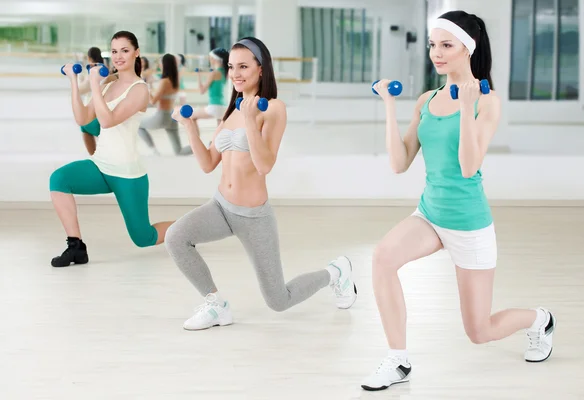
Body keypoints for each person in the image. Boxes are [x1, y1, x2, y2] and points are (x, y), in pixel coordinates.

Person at [360, 11, 555, 391]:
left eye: (446, 45)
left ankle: (540, 320)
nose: (437, 53)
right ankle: (398, 361)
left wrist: (467, 107)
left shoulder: (488, 101)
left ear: (469, 48)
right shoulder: (427, 100)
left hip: (468, 223)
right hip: (431, 214)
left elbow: (468, 167)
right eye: (433, 45)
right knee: (383, 257)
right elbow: (400, 164)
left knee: (479, 331)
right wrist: (387, 106)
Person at [166, 37, 357, 331]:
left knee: (278, 300)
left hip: (253, 216)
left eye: (243, 66)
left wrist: (251, 121)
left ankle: (335, 273)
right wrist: (190, 128)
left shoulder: (274, 109)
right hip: (220, 206)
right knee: (176, 236)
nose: (235, 73)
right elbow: (207, 164)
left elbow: (264, 164)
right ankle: (217, 306)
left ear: (261, 70)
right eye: (231, 67)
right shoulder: (231, 110)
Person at [49, 31, 174, 268]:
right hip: (101, 165)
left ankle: (187, 228)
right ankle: (76, 247)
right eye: (114, 51)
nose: (118, 56)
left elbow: (106, 121)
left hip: (127, 173)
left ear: (136, 53)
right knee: (59, 180)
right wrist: (74, 82)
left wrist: (94, 83)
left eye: (124, 50)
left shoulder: (140, 90)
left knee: (143, 237)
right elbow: (83, 118)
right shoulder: (108, 83)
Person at [138, 53, 191, 156]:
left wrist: (145, 87)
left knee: (138, 125)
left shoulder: (164, 81)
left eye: (160, 63)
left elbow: (153, 101)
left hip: (162, 116)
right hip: (172, 117)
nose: (159, 65)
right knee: (179, 151)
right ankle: (205, 146)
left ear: (165, 64)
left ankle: (154, 150)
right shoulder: (175, 81)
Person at [191, 47, 229, 125]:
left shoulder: (214, 73)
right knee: (219, 132)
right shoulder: (226, 73)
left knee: (192, 116)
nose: (210, 60)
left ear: (215, 59)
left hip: (214, 107)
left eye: (210, 58)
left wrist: (198, 75)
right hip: (223, 106)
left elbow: (202, 91)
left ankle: (196, 138)